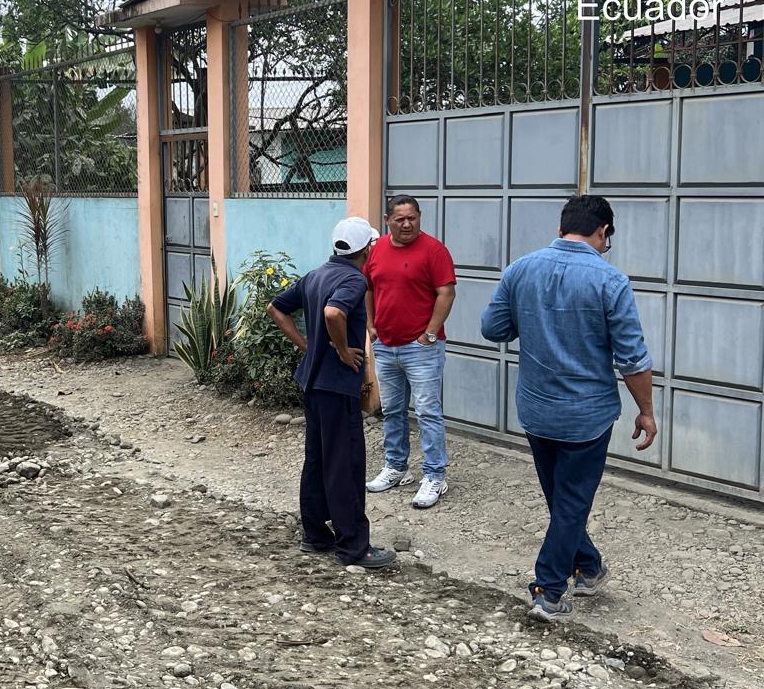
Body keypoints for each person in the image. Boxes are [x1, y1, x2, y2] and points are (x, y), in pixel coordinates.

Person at [479, 194, 656, 622]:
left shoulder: (520, 269)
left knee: (563, 500)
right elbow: (632, 358)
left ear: (561, 229)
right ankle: (550, 589)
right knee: (572, 502)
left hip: (536, 409)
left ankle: (589, 568)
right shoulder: (610, 281)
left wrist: (534, 320)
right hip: (586, 416)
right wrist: (646, 411)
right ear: (603, 232)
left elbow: (492, 328)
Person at [268, 216, 397, 569]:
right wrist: (340, 350)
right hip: (337, 386)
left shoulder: (317, 274)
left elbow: (276, 308)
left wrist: (308, 347)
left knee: (318, 458)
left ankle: (315, 534)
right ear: (366, 249)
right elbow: (333, 312)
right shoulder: (354, 279)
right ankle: (353, 546)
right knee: (346, 464)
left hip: (312, 383)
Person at [363, 194, 457, 509]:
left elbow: (446, 293)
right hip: (386, 345)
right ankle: (396, 467)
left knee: (428, 412)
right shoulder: (377, 250)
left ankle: (435, 475)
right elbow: (369, 287)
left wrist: (429, 334)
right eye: (400, 219)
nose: (407, 224)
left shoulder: (434, 250)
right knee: (392, 410)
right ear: (387, 220)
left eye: (412, 218)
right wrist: (371, 325)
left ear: (419, 217)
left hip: (422, 349)